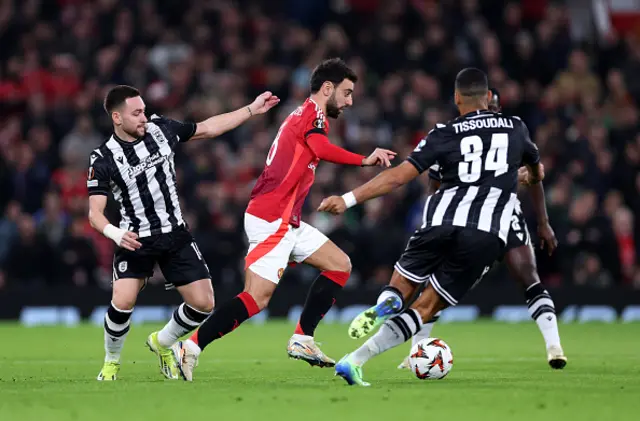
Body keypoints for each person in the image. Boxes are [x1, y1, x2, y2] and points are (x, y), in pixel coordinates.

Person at [318, 68, 544, 386]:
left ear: (456, 98)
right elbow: (536, 169)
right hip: (483, 233)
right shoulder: (515, 128)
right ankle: (355, 360)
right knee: (424, 308)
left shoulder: (443, 133)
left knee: (404, 288)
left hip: (438, 223)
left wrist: (348, 199)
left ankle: (389, 298)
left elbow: (398, 176)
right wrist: (527, 179)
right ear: (488, 96)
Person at [175, 58, 396, 381]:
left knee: (339, 264)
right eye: (346, 93)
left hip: (285, 218)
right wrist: (365, 159)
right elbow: (320, 148)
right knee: (256, 298)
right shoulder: (312, 114)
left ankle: (303, 338)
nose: (349, 101)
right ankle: (190, 348)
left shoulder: (305, 113)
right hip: (272, 217)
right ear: (327, 88)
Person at [88, 85, 279, 381]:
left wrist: (251, 109)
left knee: (204, 303)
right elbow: (94, 214)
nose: (144, 117)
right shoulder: (103, 158)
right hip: (134, 238)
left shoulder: (162, 129)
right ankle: (111, 362)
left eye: (144, 110)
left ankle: (162, 342)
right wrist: (114, 233)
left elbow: (208, 128)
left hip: (174, 234)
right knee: (123, 301)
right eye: (136, 113)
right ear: (116, 117)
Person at [397, 88, 566, 371]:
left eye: (496, 108)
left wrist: (543, 222)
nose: (492, 113)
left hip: (504, 214)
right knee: (438, 285)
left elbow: (537, 175)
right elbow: (434, 189)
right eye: (489, 107)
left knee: (528, 275)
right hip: (466, 221)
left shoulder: (511, 134)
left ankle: (554, 346)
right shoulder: (455, 138)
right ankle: (416, 349)